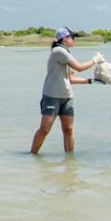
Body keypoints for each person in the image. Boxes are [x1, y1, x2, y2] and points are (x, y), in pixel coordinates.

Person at [30, 27, 104, 155]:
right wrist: (95, 60)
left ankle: (70, 161)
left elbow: (71, 78)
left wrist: (91, 81)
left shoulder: (67, 52)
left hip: (67, 97)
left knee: (68, 130)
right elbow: (79, 67)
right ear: (64, 39)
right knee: (45, 129)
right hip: (52, 96)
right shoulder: (58, 51)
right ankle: (32, 154)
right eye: (72, 37)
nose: (74, 39)